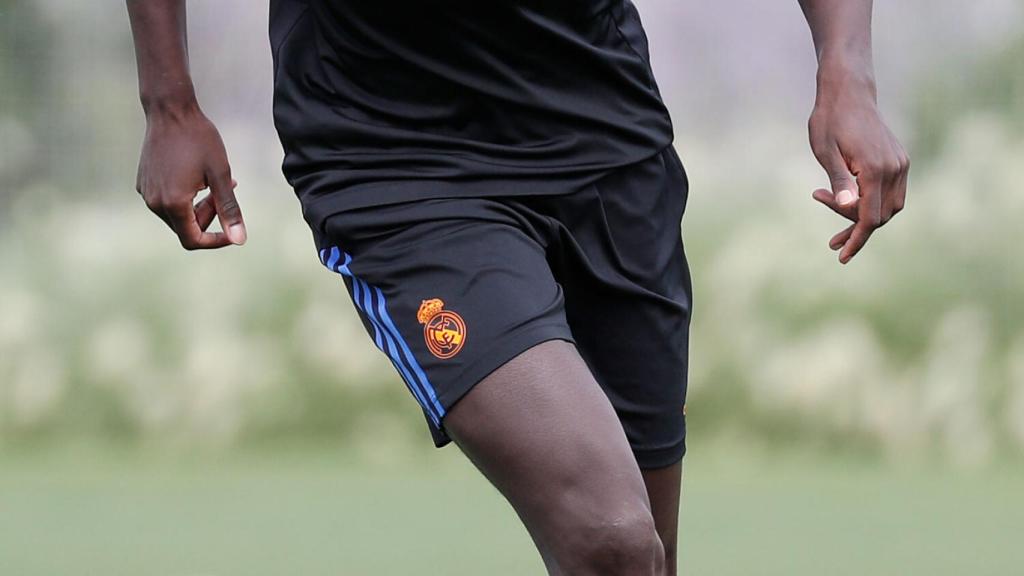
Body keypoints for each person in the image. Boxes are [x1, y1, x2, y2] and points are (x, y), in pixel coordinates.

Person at [125, 0, 909, 573]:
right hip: (395, 155)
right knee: (612, 540)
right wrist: (169, 103)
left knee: (646, 561)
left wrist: (847, 69)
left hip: (607, 143)